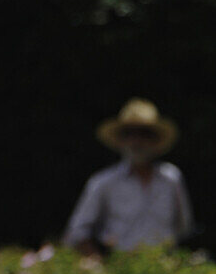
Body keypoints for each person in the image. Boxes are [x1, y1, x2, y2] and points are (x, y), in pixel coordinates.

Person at [62, 98, 194, 257]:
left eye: (144, 134)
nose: (136, 141)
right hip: (120, 270)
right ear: (120, 140)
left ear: (155, 140)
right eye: (129, 133)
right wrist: (97, 265)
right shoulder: (104, 182)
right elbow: (77, 232)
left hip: (164, 269)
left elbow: (183, 227)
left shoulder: (172, 178)